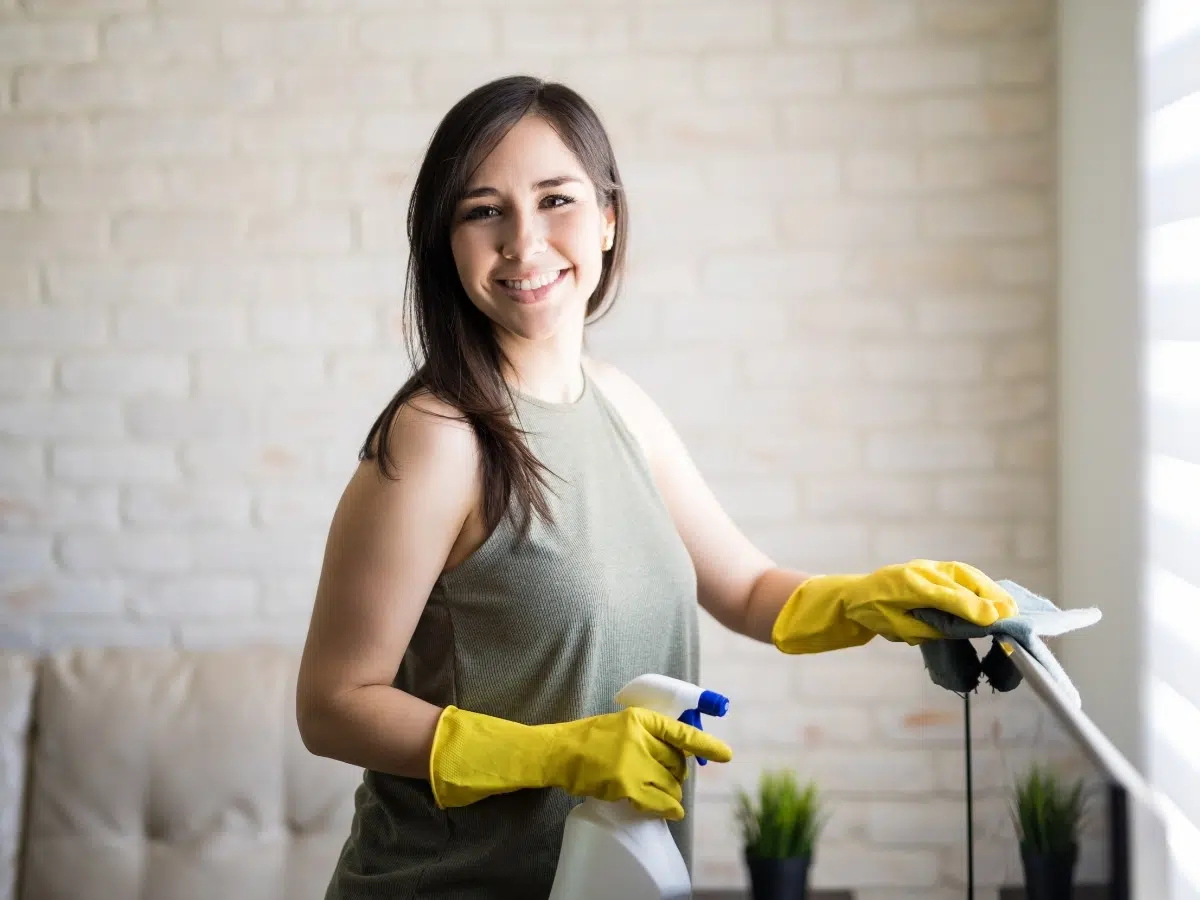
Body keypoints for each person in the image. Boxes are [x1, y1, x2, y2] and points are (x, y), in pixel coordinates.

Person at [295, 75, 1017, 900]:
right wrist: (558, 753)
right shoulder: (439, 436)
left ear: (607, 218)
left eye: (556, 200)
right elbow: (332, 704)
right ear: (446, 243)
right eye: (483, 211)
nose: (525, 244)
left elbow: (747, 589)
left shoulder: (620, 404)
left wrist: (871, 601)